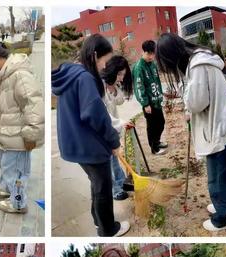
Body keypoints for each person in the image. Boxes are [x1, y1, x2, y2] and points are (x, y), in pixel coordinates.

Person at [156, 33, 226, 232]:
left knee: (223, 174)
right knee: (216, 171)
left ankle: (224, 216)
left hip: (221, 128)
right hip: (216, 127)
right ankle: (221, 203)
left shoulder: (197, 65)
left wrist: (187, 104)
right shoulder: (197, 62)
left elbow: (196, 102)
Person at [52, 34, 130, 237]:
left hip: (73, 144)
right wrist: (114, 141)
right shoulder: (85, 78)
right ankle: (107, 229)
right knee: (103, 187)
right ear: (95, 55)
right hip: (89, 145)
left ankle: (98, 221)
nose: (105, 67)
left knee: (97, 183)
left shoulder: (70, 73)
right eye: (105, 61)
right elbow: (96, 115)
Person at [0, 39, 44, 214]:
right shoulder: (0, 76)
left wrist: (31, 135)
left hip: (20, 137)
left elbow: (33, 105)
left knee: (17, 173)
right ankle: (7, 189)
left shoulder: (19, 75)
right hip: (7, 135)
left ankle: (18, 203)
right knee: (7, 166)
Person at [101, 55, 135, 201]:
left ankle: (121, 184)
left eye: (123, 75)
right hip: (104, 130)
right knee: (108, 162)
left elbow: (120, 101)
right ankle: (115, 190)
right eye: (119, 74)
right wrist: (120, 123)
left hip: (113, 129)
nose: (121, 78)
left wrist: (115, 88)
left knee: (115, 158)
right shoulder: (99, 86)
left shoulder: (113, 86)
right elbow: (103, 114)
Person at [133, 40, 167, 156]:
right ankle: (154, 148)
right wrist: (145, 103)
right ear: (143, 52)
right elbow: (139, 87)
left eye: (153, 54)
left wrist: (160, 96)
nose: (151, 57)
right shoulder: (139, 67)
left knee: (161, 123)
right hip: (148, 104)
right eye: (149, 54)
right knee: (152, 126)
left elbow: (157, 82)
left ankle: (157, 142)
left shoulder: (153, 65)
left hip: (156, 100)